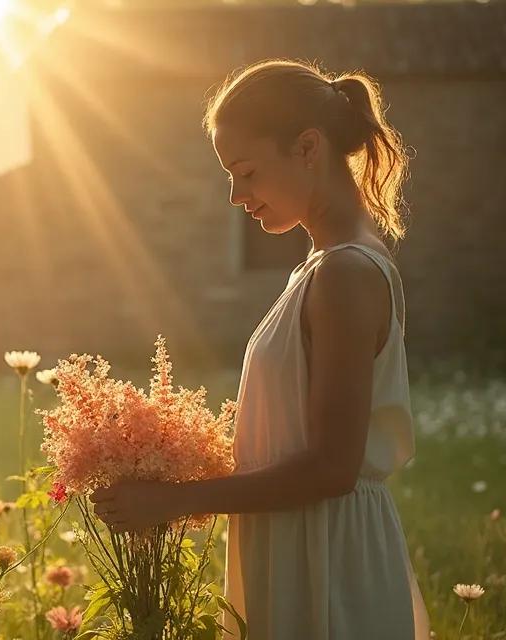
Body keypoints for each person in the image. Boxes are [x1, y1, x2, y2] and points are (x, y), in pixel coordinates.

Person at [88, 59, 431, 639]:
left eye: (245, 171)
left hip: (326, 556)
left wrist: (173, 501)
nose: (234, 194)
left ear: (306, 148)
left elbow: (331, 468)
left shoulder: (346, 272)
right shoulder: (320, 268)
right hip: (295, 540)